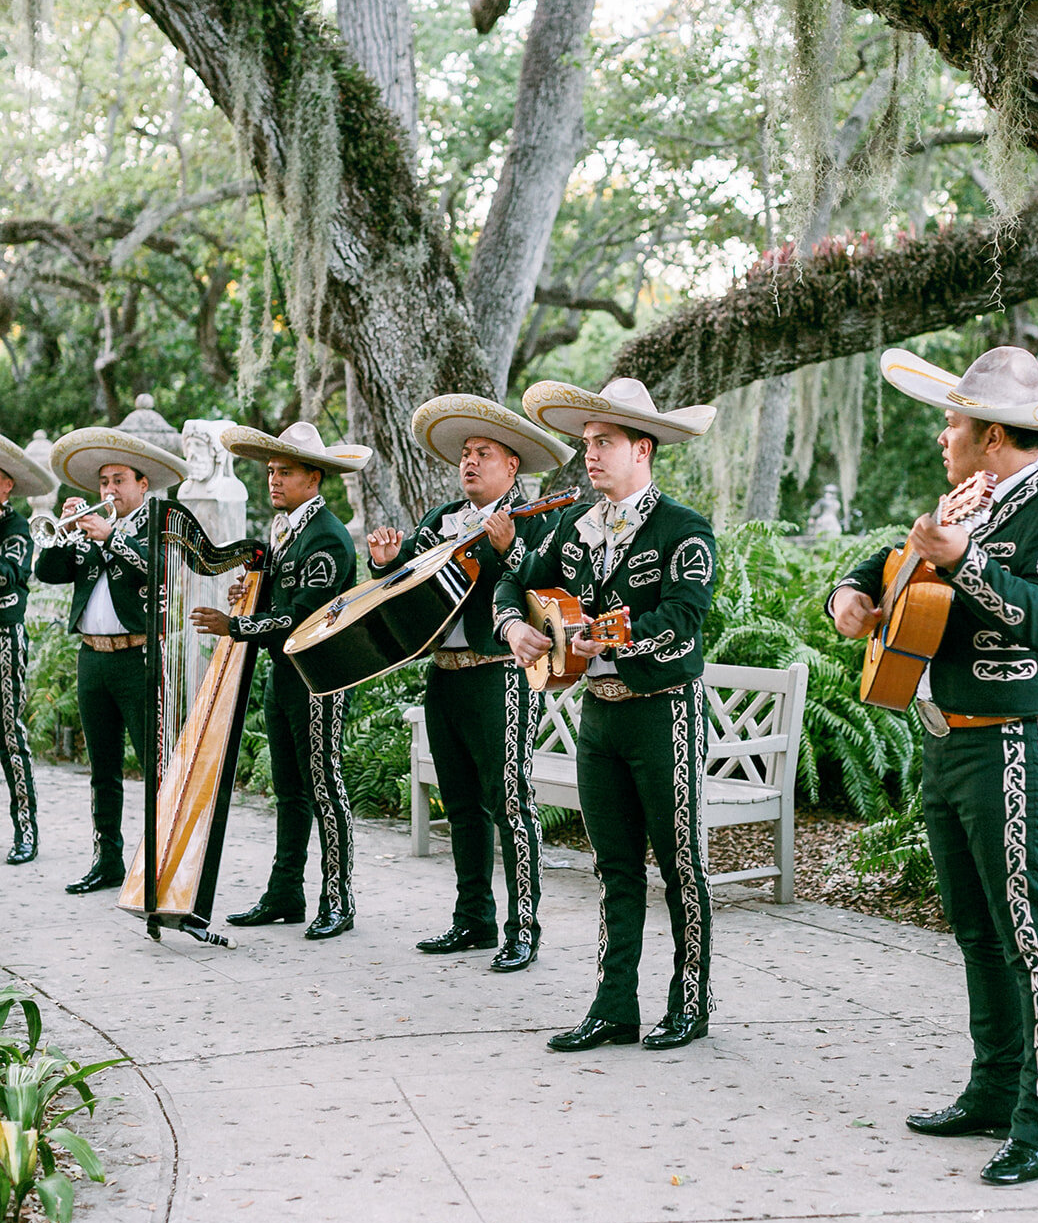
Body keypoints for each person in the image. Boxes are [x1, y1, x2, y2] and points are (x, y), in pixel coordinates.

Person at [829, 345, 1038, 1186]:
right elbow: (876, 572)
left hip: (1011, 742)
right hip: (942, 735)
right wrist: (848, 599)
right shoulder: (966, 496)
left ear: (994, 435)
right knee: (972, 931)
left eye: (955, 420)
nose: (943, 432)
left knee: (1028, 935)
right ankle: (992, 1089)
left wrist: (964, 560)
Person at [495, 377, 718, 1048]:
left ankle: (691, 1002)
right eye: (586, 443)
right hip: (598, 714)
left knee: (680, 864)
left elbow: (684, 617)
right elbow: (516, 579)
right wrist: (514, 628)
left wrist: (610, 637)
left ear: (642, 449)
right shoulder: (572, 529)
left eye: (604, 443)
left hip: (664, 713)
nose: (589, 455)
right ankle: (613, 1004)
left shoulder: (685, 529)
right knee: (614, 867)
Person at [368, 395, 571, 972]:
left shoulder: (538, 520)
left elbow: (546, 586)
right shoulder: (440, 521)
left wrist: (509, 549)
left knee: (510, 802)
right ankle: (474, 919)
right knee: (458, 802)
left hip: (499, 676)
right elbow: (407, 588)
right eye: (465, 454)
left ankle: (523, 928)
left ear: (513, 466)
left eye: (483, 453)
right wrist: (386, 563)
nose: (470, 462)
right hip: (444, 676)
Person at [192, 421, 371, 940]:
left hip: (318, 679)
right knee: (289, 790)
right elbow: (277, 603)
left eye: (284, 472)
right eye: (270, 471)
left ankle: (338, 900)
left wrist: (239, 626)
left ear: (313, 479)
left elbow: (303, 617)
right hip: (282, 675)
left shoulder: (327, 538)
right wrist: (246, 600)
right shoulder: (285, 529)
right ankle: (284, 893)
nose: (273, 480)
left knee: (324, 787)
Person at [36, 426, 187, 893]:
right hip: (92, 657)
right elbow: (48, 573)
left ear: (142, 485)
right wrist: (62, 535)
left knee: (152, 764)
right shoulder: (88, 526)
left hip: (137, 656)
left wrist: (108, 538)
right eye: (103, 482)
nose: (108, 490)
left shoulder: (159, 521)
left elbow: (160, 569)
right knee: (101, 769)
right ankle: (107, 860)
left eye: (118, 480)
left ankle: (160, 861)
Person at [0, 435, 55, 865]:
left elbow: (6, 576)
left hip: (3, 641)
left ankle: (27, 831)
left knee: (10, 736)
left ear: (6, 487)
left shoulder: (17, 528)